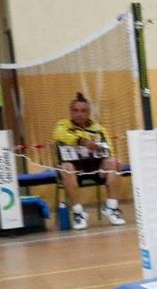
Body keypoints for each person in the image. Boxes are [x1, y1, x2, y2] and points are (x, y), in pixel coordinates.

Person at [53, 93, 126, 228]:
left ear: (88, 113)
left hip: (95, 167)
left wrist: (110, 158)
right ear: (71, 112)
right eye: (76, 110)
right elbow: (59, 135)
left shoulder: (99, 129)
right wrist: (82, 141)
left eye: (83, 111)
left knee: (114, 164)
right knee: (66, 168)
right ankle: (79, 213)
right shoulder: (62, 125)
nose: (79, 114)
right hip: (74, 168)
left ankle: (111, 207)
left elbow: (109, 149)